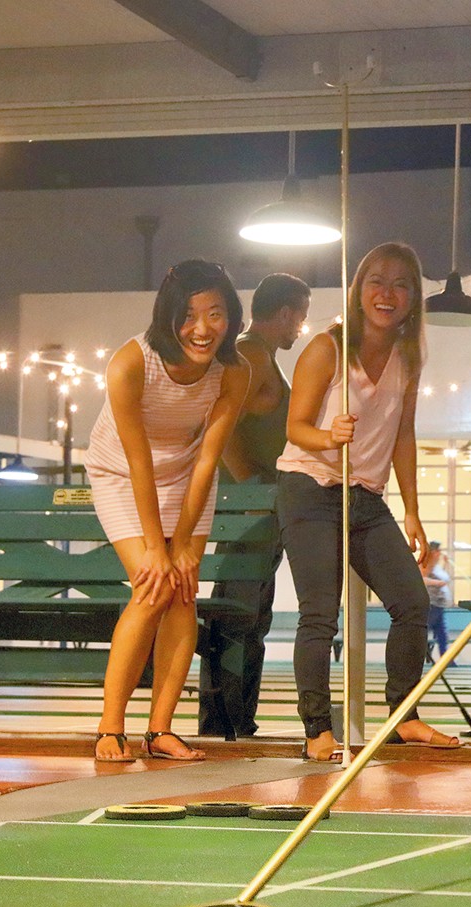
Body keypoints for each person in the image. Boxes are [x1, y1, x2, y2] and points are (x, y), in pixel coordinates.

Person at [276, 241, 459, 762]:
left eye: (402, 284)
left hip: (365, 496)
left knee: (413, 603)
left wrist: (414, 509)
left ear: (413, 299)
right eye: (377, 281)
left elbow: (404, 434)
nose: (388, 293)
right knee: (319, 614)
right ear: (358, 291)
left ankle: (404, 716)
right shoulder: (326, 348)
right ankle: (317, 728)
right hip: (309, 487)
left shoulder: (409, 356)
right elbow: (295, 429)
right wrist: (329, 435)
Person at [85, 259, 250, 762]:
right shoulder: (130, 363)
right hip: (121, 473)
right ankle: (110, 728)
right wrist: (158, 548)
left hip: (186, 476)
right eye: (189, 315)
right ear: (168, 315)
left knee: (182, 591)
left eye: (216, 314)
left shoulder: (234, 371)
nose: (202, 329)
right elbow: (137, 462)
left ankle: (160, 731)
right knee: (153, 585)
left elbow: (206, 460)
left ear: (231, 316)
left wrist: (182, 547)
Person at [198, 272, 311, 738]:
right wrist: (247, 490)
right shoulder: (251, 355)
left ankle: (238, 720)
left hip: (261, 511)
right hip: (247, 514)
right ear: (284, 312)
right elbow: (218, 425)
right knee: (238, 618)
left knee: (252, 618)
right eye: (299, 317)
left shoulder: (260, 356)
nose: (300, 328)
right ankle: (224, 723)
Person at [419, 540, 453, 659]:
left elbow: (443, 577)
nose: (439, 553)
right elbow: (422, 579)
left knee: (441, 634)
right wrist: (437, 583)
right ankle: (425, 652)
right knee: (430, 631)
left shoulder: (435, 566)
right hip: (431, 604)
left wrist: (445, 564)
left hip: (438, 604)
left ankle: (446, 660)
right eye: (437, 551)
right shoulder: (425, 564)